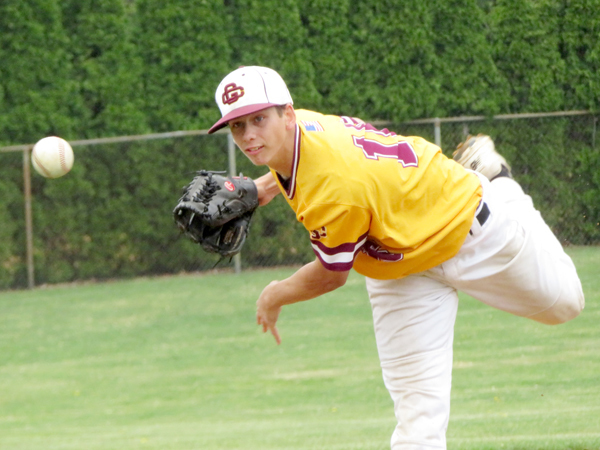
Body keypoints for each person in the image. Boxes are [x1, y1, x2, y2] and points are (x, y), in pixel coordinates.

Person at [207, 66, 585, 449]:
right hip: (399, 269)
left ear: (287, 114)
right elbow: (302, 163)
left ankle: (500, 183)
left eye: (258, 119)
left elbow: (331, 274)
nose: (249, 135)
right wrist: (260, 188)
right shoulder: (300, 130)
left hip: (463, 225)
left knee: (565, 304)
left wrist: (274, 294)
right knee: (418, 420)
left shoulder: (333, 189)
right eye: (237, 126)